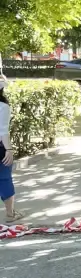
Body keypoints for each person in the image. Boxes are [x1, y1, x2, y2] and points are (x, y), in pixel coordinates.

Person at [0, 78, 22, 223]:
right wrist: (9, 149)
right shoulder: (2, 106)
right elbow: (3, 131)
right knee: (4, 179)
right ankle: (10, 214)